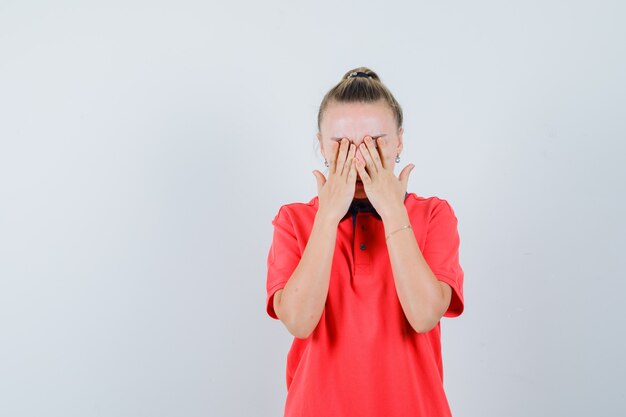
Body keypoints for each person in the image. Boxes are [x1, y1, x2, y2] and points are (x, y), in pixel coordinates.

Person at [265, 67, 465, 417]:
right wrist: (328, 216)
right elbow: (298, 321)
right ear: (321, 145)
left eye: (376, 142)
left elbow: (424, 316)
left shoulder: (434, 214)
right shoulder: (294, 221)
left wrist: (392, 210)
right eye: (342, 144)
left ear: (399, 141)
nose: (359, 158)